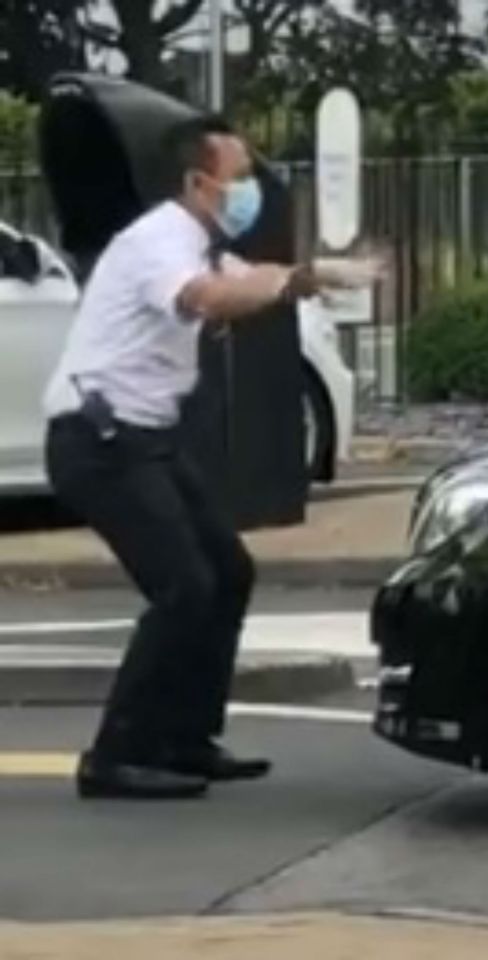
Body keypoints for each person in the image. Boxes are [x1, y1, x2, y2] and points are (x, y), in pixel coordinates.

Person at [43, 116, 377, 801]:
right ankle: (115, 755)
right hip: (99, 441)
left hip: (145, 438)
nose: (249, 188)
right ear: (198, 183)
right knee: (183, 587)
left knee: (228, 571)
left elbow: (250, 277)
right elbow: (208, 296)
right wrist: (294, 281)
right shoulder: (161, 240)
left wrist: (318, 277)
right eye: (240, 175)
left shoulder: (201, 239)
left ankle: (186, 738)